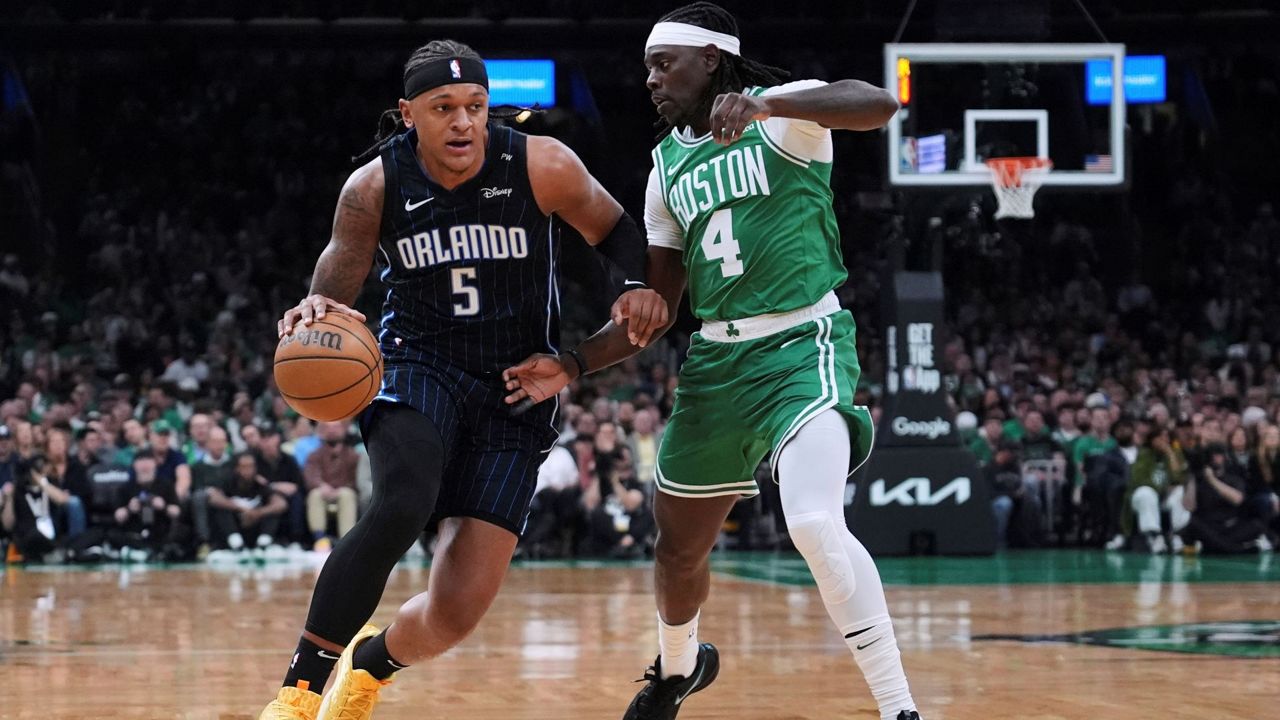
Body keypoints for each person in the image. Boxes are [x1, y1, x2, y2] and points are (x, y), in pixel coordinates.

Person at [501, 4, 918, 718]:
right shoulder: (666, 167)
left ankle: (899, 706)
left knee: (814, 523)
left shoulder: (785, 117)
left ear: (712, 60)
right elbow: (656, 309)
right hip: (717, 364)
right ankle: (676, 671)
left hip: (801, 344)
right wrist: (573, 363)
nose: (652, 81)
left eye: (664, 64)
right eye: (647, 70)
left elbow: (877, 103)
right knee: (676, 548)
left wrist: (766, 100)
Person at [258, 38, 666, 720]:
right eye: (443, 108)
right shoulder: (374, 185)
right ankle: (297, 695)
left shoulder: (542, 164)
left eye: (475, 106)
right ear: (408, 113)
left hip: (518, 384)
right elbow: (339, 275)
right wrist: (316, 304)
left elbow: (618, 231)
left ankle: (371, 663)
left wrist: (629, 285)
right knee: (404, 498)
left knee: (456, 612)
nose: (462, 123)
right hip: (418, 362)